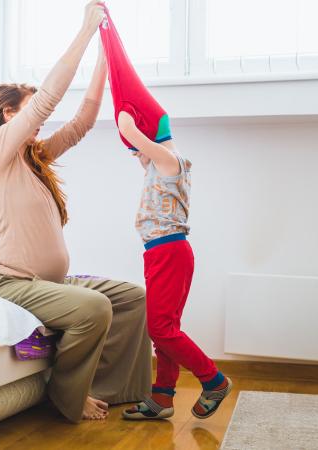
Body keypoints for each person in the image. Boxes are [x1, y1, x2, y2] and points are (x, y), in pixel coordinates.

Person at [0, 1, 151, 423]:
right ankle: (66, 395)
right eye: (29, 112)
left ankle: (108, 389)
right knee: (94, 309)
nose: (39, 122)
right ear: (8, 114)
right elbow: (49, 100)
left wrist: (105, 57)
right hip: (6, 283)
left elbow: (83, 120)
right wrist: (87, 31)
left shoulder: (35, 158)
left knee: (132, 298)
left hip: (47, 282)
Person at [97, 6, 232, 420]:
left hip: (170, 251)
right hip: (160, 252)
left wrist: (130, 125)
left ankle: (213, 380)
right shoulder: (156, 161)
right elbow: (139, 148)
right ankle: (162, 398)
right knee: (166, 328)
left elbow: (135, 136)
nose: (140, 155)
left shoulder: (173, 160)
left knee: (161, 329)